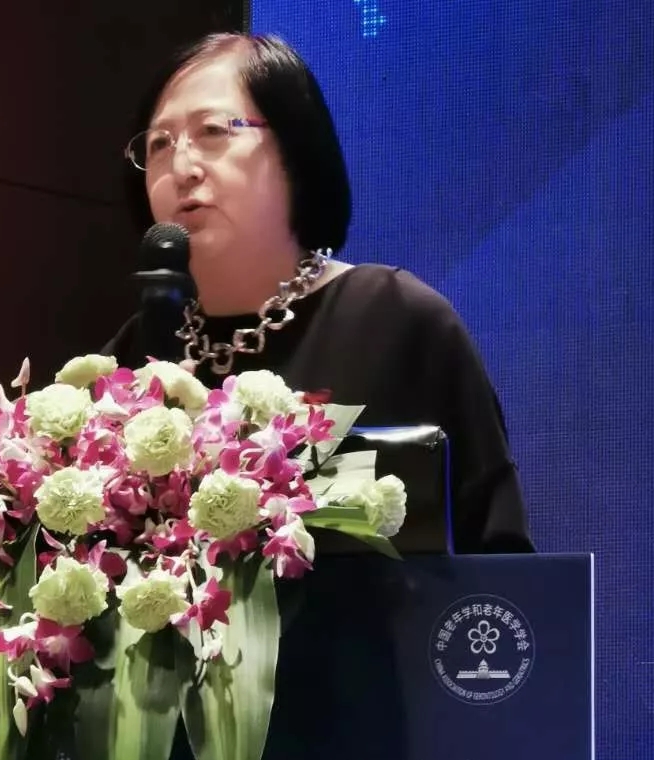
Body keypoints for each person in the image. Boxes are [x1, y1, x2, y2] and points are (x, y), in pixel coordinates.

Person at [105, 32, 533, 554]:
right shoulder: (133, 356)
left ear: (295, 149)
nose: (181, 168)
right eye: (159, 144)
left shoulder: (397, 322)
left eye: (212, 131)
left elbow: (499, 559)